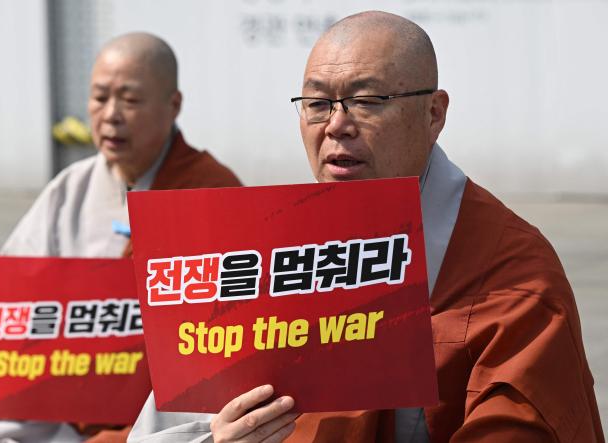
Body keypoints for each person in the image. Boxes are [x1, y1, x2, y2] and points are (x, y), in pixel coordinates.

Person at [127, 11, 604, 443]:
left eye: (367, 100)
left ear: (433, 113)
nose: (337, 125)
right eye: (317, 104)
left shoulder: (508, 271)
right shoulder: (258, 257)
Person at [0, 32, 241, 443]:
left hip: (164, 418)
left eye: (130, 101)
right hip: (61, 407)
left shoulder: (211, 193)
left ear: (174, 106)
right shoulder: (70, 191)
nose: (111, 115)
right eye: (99, 98)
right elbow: (10, 303)